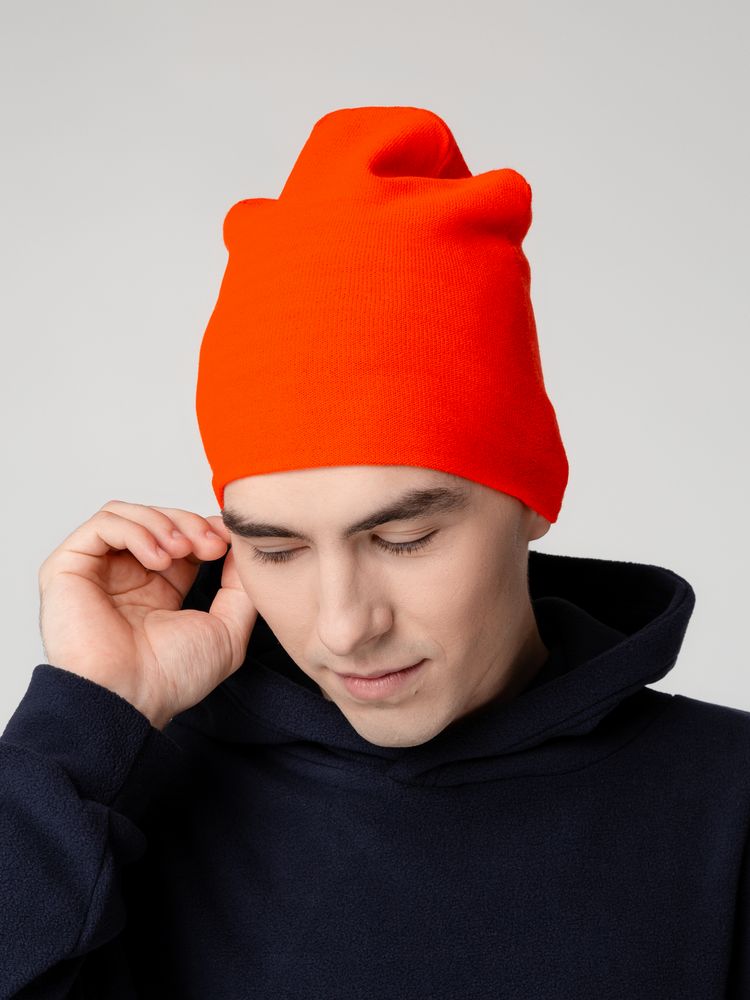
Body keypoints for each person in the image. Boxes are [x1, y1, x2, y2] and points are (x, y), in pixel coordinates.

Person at [1, 105, 748, 999]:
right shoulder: (110, 803)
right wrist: (82, 723)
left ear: (532, 499)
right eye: (277, 550)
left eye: (403, 538)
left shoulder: (728, 800)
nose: (345, 628)